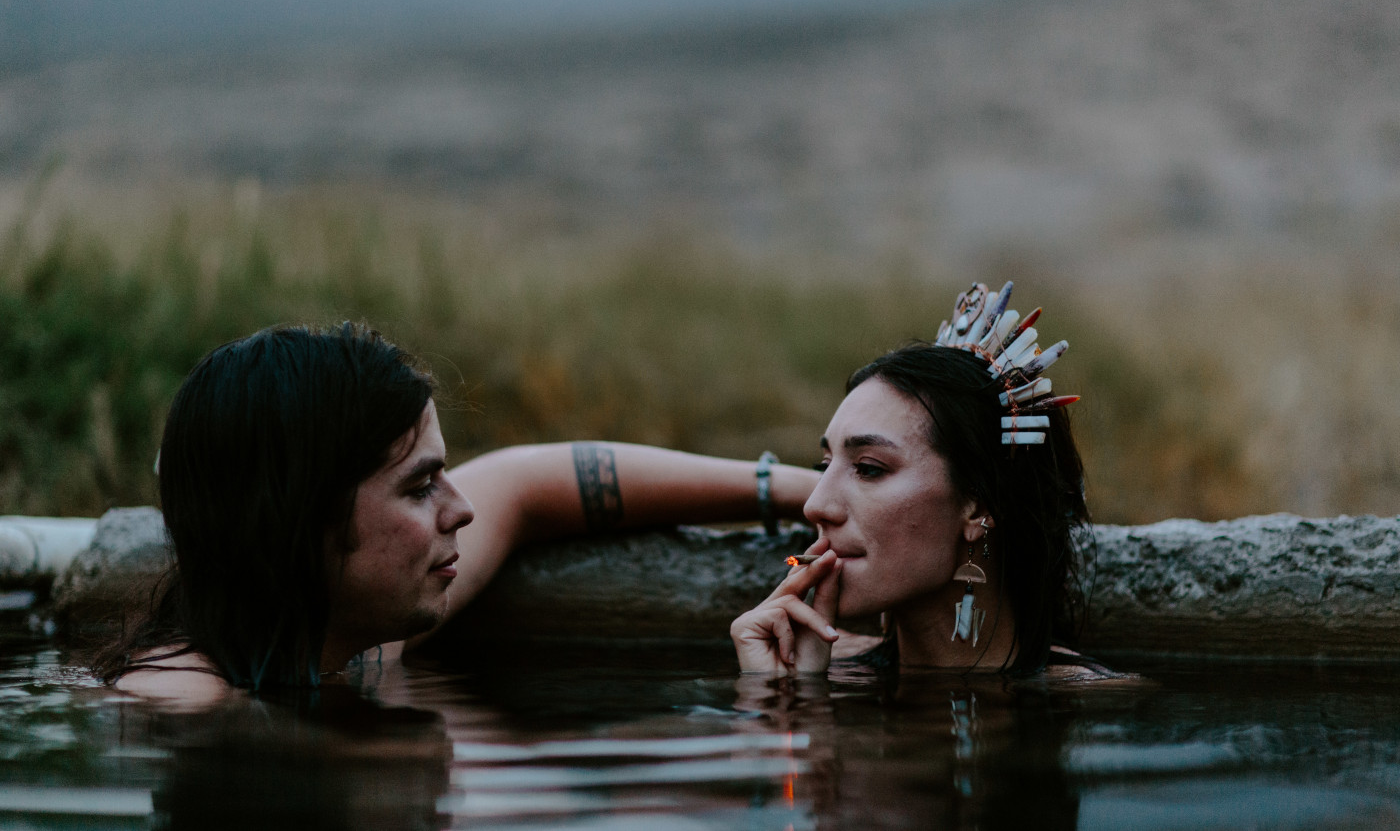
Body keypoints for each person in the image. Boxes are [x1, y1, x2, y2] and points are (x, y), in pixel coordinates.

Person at [97, 322, 818, 703]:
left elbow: (529, 481)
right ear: (301, 521)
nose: (462, 508)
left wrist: (797, 492)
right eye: (420, 487)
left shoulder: (345, 644)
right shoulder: (181, 702)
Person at [731, 281, 1103, 676]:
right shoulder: (801, 660)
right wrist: (779, 696)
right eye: (825, 466)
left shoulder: (1095, 702)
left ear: (978, 505)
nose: (814, 505)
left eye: (869, 468)